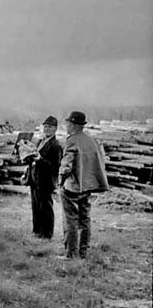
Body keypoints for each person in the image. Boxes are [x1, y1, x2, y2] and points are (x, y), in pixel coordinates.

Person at [58, 111, 109, 260]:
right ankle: (83, 252)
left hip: (72, 187)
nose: (66, 126)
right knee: (85, 219)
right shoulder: (91, 140)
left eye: (68, 123)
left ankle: (71, 254)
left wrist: (60, 181)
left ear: (73, 125)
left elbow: (66, 166)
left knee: (70, 221)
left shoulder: (72, 140)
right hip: (87, 187)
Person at [23, 116, 63, 239]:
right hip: (35, 178)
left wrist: (40, 159)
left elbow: (55, 167)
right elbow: (34, 156)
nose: (46, 129)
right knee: (36, 206)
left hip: (46, 180)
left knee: (46, 207)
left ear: (55, 129)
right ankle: (37, 231)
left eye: (50, 127)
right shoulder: (40, 141)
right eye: (45, 126)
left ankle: (46, 234)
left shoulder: (56, 145)